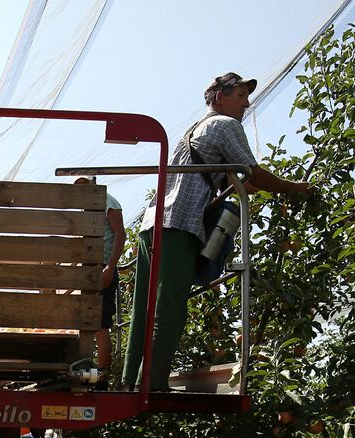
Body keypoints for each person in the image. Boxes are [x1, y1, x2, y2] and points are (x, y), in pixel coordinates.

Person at [120, 72, 313, 392]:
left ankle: (130, 382)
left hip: (152, 223)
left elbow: (240, 183)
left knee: (145, 307)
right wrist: (294, 189)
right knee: (170, 308)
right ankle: (152, 385)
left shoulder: (195, 130)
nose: (247, 103)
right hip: (179, 225)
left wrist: (267, 190)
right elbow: (253, 173)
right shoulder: (226, 125)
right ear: (219, 97)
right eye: (240, 95)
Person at [74, 176, 125, 380]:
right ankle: (87, 374)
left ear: (93, 184)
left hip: (102, 269)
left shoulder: (107, 202)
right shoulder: (87, 211)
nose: (81, 190)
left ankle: (102, 375)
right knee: (88, 323)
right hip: (90, 270)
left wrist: (110, 268)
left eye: (84, 185)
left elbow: (120, 235)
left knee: (99, 325)